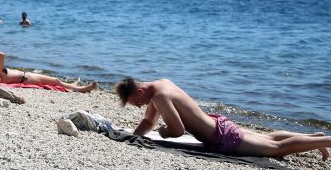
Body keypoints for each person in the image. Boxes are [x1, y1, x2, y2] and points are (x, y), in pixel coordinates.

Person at [116, 78, 330, 159]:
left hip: (222, 138)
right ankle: (316, 136)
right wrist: (134, 136)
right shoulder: (161, 84)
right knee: (269, 137)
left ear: (139, 91)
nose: (140, 106)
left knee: (277, 148)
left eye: (137, 102)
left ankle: (326, 140)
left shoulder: (160, 97)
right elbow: (148, 122)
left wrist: (164, 131)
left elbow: (178, 131)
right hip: (220, 124)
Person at [0, 46, 97, 92]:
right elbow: (1, 56)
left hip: (25, 75)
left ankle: (72, 86)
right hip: (26, 79)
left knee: (56, 82)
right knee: (56, 80)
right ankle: (81, 89)